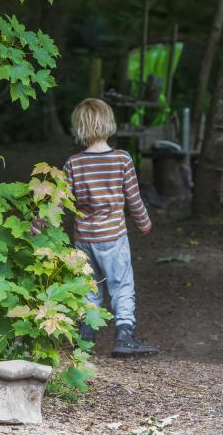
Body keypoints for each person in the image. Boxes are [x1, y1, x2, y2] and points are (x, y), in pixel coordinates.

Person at [63, 98, 158, 357]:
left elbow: (59, 201)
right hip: (114, 237)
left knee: (89, 286)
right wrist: (144, 223)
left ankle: (86, 338)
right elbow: (133, 199)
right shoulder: (122, 160)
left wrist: (38, 226)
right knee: (122, 285)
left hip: (83, 238)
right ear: (109, 124)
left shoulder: (73, 163)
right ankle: (124, 335)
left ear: (79, 127)